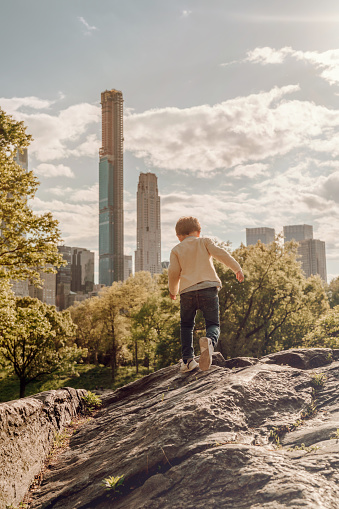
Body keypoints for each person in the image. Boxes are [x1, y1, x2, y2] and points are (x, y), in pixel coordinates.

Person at [168, 216, 244, 373]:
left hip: (187, 291)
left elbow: (173, 273)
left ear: (178, 236)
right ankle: (209, 341)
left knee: (186, 325)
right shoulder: (204, 242)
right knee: (213, 324)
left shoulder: (176, 250)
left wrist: (173, 291)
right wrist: (236, 268)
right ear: (198, 232)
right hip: (208, 288)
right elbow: (221, 254)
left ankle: (188, 360)